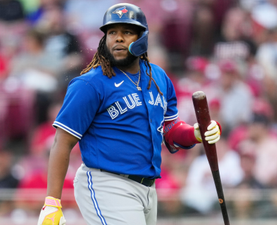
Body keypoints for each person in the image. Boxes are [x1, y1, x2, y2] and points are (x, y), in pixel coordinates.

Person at [37, 3, 222, 225]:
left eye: (127, 32)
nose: (118, 38)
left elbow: (169, 129)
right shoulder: (90, 83)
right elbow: (62, 142)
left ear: (142, 37)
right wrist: (52, 203)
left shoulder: (159, 78)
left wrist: (196, 134)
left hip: (148, 188)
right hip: (107, 183)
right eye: (112, 32)